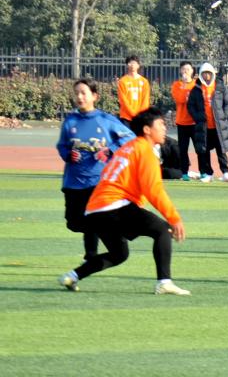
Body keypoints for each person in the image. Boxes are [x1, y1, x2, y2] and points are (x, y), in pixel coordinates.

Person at [58, 107, 191, 296]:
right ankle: (164, 282)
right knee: (163, 230)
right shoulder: (144, 150)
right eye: (161, 124)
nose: (164, 128)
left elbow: (112, 175)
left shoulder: (128, 148)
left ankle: (72, 276)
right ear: (147, 129)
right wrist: (174, 218)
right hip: (114, 205)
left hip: (96, 208)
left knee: (119, 254)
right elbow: (153, 190)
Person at [56, 78, 135, 263]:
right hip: (74, 182)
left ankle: (90, 255)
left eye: (83, 93)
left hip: (98, 181)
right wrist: (68, 154)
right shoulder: (70, 121)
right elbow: (62, 145)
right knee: (74, 223)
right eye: (77, 93)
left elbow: (130, 138)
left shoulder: (106, 120)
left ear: (94, 96)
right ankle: (111, 233)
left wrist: (110, 149)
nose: (79, 97)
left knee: (92, 218)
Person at [187, 62, 228, 183]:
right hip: (204, 126)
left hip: (218, 126)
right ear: (201, 75)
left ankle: (225, 173)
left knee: (221, 150)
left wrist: (224, 115)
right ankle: (209, 174)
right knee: (205, 151)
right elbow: (190, 105)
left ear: (213, 74)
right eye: (204, 73)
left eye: (209, 73)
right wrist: (197, 117)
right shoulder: (196, 89)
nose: (207, 76)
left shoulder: (220, 86)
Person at [170, 61, 198, 181]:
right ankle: (184, 173)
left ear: (192, 71)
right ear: (180, 71)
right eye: (183, 69)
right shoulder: (177, 85)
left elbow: (197, 100)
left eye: (188, 69)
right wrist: (185, 85)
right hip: (182, 122)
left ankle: (204, 172)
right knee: (183, 149)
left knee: (200, 148)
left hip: (195, 122)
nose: (185, 71)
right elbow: (180, 99)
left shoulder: (196, 84)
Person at [117, 54, 150, 125]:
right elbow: (123, 101)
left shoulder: (144, 82)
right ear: (127, 65)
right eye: (130, 63)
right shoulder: (122, 81)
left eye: (134, 63)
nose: (132, 65)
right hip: (126, 117)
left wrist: (141, 114)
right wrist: (133, 114)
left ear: (138, 65)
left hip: (140, 117)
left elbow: (145, 101)